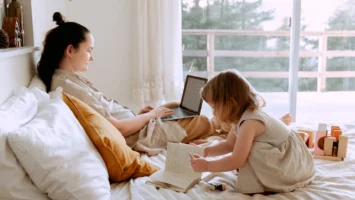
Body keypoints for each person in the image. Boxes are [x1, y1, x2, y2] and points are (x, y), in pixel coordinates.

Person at [36, 12, 292, 151]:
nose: (92, 57)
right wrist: (149, 117)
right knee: (201, 120)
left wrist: (142, 113)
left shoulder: (71, 81)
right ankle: (255, 128)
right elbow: (118, 129)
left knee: (173, 105)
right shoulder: (66, 87)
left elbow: (111, 116)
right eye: (89, 50)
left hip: (140, 125)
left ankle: (252, 125)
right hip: (140, 136)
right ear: (70, 50)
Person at [190, 70, 315, 194]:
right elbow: (229, 145)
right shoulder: (239, 117)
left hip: (290, 165)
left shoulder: (249, 123)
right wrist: (204, 152)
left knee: (252, 150)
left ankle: (265, 184)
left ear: (231, 104)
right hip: (284, 155)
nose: (213, 113)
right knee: (244, 147)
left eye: (214, 107)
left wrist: (207, 166)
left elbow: (237, 160)